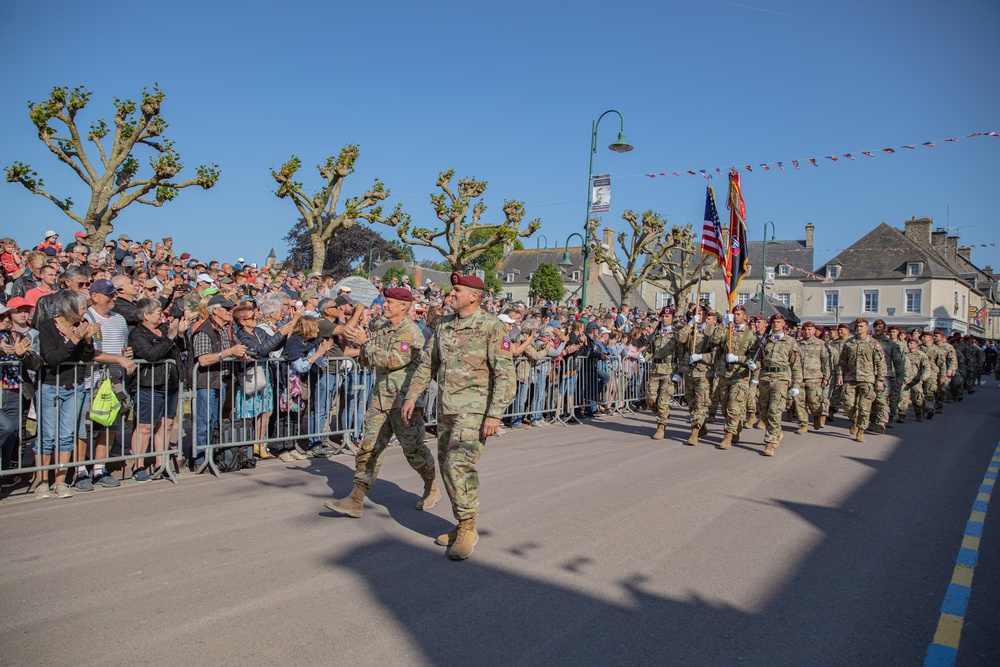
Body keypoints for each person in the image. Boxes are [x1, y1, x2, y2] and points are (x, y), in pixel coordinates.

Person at [401, 273, 515, 561]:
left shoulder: (492, 326)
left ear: (474, 296)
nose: (450, 295)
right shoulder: (444, 326)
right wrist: (412, 395)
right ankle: (461, 522)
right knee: (447, 467)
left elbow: (505, 373)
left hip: (474, 411)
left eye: (457, 290)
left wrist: (494, 414)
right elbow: (429, 364)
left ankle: (467, 526)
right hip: (446, 409)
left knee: (458, 465)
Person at [326, 286, 439, 517]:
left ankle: (431, 485)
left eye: (389, 302)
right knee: (368, 448)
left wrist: (366, 343)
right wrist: (364, 345)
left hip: (403, 402)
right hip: (380, 399)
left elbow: (395, 359)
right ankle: (355, 499)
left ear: (403, 306)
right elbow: (368, 361)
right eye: (385, 301)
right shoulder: (384, 329)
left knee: (413, 450)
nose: (384, 305)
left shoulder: (411, 332)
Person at [37, 290, 96, 499]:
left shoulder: (82, 324)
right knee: (47, 436)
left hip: (75, 386)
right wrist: (73, 340)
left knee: (66, 436)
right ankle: (42, 481)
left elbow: (87, 357)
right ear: (69, 308)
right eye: (82, 308)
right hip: (51, 387)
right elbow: (52, 358)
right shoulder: (47, 327)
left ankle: (60, 482)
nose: (86, 312)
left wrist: (87, 341)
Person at [129, 298, 188, 481]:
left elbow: (180, 349)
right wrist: (170, 337)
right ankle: (138, 466)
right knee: (146, 426)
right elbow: (151, 355)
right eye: (157, 311)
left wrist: (180, 335)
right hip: (149, 384)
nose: (161, 314)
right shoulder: (138, 334)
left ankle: (160, 463)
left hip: (170, 384)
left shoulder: (163, 329)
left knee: (166, 425)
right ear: (146, 315)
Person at [754, 313, 802, 457]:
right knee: (763, 411)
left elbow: (796, 365)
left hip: (781, 378)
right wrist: (754, 369)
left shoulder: (790, 342)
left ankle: (770, 442)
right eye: (774, 322)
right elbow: (758, 359)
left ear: (783, 324)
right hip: (765, 377)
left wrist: (796, 385)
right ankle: (777, 432)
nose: (776, 324)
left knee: (775, 410)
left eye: (779, 322)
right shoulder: (765, 340)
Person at [836, 317, 886, 442]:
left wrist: (880, 380)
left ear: (867, 328)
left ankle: (861, 430)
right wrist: (839, 376)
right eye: (857, 326)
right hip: (850, 379)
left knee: (864, 408)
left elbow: (880, 363)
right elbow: (842, 362)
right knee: (847, 405)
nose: (859, 328)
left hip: (867, 379)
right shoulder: (849, 343)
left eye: (862, 326)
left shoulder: (874, 344)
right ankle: (854, 420)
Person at [715, 305, 758, 450]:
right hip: (724, 374)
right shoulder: (726, 331)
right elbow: (714, 341)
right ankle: (736, 428)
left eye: (739, 314)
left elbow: (753, 359)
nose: (737, 316)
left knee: (734, 406)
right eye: (734, 314)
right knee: (725, 406)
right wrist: (723, 324)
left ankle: (727, 435)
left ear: (745, 316)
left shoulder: (750, 335)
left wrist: (738, 359)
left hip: (740, 375)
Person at [645, 307, 682, 440]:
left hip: (669, 370)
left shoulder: (677, 334)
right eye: (663, 317)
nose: (665, 319)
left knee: (663, 401)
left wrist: (679, 372)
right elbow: (651, 350)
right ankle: (663, 414)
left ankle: (661, 426)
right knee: (650, 399)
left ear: (672, 318)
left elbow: (681, 354)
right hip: (655, 369)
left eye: (668, 317)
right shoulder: (656, 334)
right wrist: (644, 357)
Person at [795, 321, 831, 431]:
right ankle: (803, 424)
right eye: (805, 330)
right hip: (799, 378)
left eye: (809, 329)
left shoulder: (820, 344)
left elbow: (825, 362)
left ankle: (816, 416)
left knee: (814, 402)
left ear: (814, 331)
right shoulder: (798, 344)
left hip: (815, 378)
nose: (807, 332)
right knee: (799, 402)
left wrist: (826, 377)